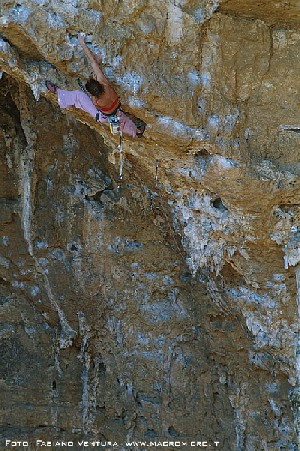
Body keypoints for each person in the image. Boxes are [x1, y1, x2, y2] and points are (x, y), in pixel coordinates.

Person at [46, 33, 146, 138]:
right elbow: (93, 62)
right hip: (117, 111)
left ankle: (58, 93)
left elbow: (93, 64)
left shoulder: (96, 101)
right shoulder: (105, 84)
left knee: (78, 96)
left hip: (104, 116)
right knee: (123, 120)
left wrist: (82, 43)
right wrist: (83, 45)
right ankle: (137, 131)